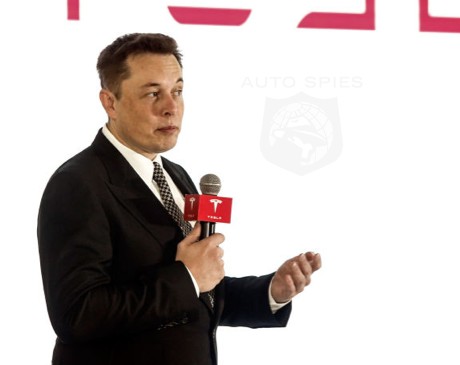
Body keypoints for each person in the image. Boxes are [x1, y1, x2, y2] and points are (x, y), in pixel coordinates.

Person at [38, 32, 321, 365]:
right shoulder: (77, 184)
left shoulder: (175, 175)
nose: (171, 108)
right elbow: (77, 315)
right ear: (110, 102)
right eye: (153, 93)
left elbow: (197, 294)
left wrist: (271, 292)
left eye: (177, 91)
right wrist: (186, 278)